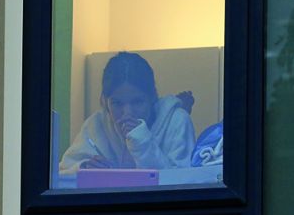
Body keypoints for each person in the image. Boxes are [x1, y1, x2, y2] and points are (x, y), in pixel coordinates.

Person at [60, 52, 196, 173]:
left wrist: (142, 142)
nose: (127, 114)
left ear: (152, 97)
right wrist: (84, 169)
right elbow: (62, 172)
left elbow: (182, 181)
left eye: (137, 102)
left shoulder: (177, 121)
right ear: (105, 102)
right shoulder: (96, 124)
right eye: (117, 103)